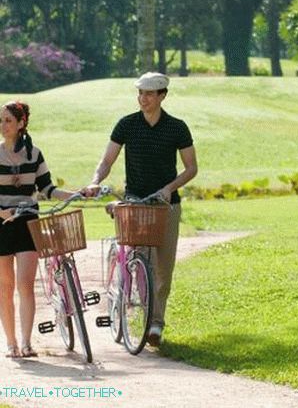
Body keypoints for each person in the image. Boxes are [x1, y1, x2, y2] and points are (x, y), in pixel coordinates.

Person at [83, 72, 197, 346]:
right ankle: (135, 309)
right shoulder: (127, 125)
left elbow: (191, 168)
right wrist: (96, 180)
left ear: (162, 96)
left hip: (166, 205)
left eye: (149, 94)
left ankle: (156, 323)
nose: (142, 98)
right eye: (140, 93)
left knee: (163, 269)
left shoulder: (177, 128)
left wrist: (169, 188)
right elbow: (107, 159)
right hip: (135, 202)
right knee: (139, 260)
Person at [0, 101, 79, 358]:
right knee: (5, 286)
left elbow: (47, 189)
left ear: (21, 123)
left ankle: (26, 342)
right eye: (1, 121)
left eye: (7, 121)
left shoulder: (35, 154)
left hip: (27, 223)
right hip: (1, 223)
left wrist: (75, 194)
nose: (2, 126)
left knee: (25, 284)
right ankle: (10, 343)